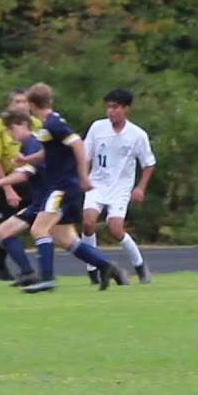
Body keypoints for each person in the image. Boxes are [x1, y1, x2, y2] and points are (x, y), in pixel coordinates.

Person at [0, 83, 126, 293]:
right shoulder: (47, 127)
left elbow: (78, 143)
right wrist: (26, 158)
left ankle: (47, 279)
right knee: (64, 238)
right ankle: (107, 267)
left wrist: (83, 176)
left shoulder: (53, 124)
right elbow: (49, 153)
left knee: (39, 229)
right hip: (62, 187)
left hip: (63, 187)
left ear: (32, 105)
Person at [82, 88, 157, 284]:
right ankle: (93, 269)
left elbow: (149, 164)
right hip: (97, 184)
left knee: (115, 229)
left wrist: (140, 187)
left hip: (120, 189)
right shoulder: (97, 128)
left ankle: (140, 266)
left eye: (115, 107)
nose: (110, 111)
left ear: (126, 109)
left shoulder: (137, 135)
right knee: (88, 223)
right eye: (108, 107)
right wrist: (84, 177)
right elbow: (84, 156)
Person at [0, 88, 44, 282]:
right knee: (5, 228)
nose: (21, 105)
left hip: (33, 183)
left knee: (44, 230)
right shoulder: (0, 125)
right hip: (12, 179)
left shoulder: (37, 127)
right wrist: (5, 187)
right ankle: (8, 267)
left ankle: (38, 273)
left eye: (24, 102)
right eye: (17, 102)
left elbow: (32, 167)